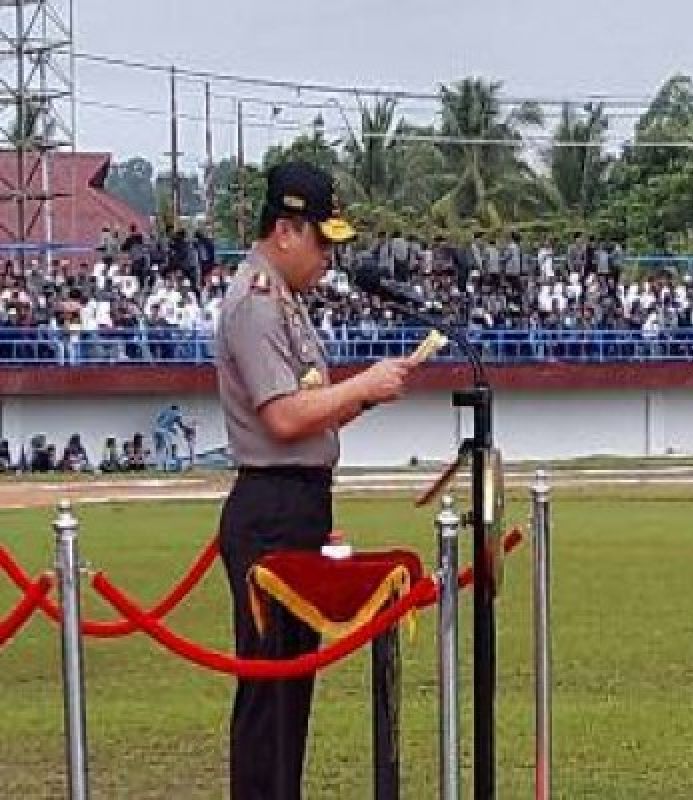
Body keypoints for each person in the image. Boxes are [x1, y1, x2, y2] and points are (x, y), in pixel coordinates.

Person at [215, 161, 413, 799]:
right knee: (270, 695)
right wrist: (361, 385)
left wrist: (367, 395)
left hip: (296, 501)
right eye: (322, 241)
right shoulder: (256, 304)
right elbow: (283, 418)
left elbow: (314, 413)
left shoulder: (288, 304)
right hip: (269, 506)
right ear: (285, 230)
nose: (329, 257)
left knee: (290, 692)